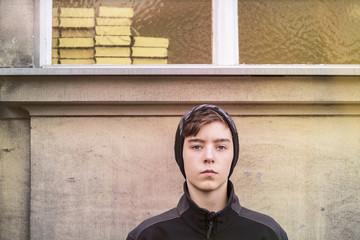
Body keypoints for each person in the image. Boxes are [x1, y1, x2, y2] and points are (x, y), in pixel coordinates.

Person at [126, 104, 288, 240]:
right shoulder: (148, 235)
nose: (209, 157)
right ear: (180, 154)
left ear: (234, 155)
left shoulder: (267, 233)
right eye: (197, 146)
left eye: (221, 147)